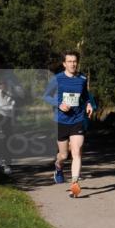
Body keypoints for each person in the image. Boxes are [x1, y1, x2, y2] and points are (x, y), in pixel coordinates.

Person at [42, 51, 93, 198]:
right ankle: (58, 167)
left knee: (76, 152)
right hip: (61, 121)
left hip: (77, 120)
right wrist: (58, 104)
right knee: (64, 155)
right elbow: (46, 96)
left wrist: (89, 104)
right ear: (64, 64)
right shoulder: (57, 79)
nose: (73, 64)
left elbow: (85, 96)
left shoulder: (82, 79)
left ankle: (75, 183)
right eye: (69, 61)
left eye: (75, 61)